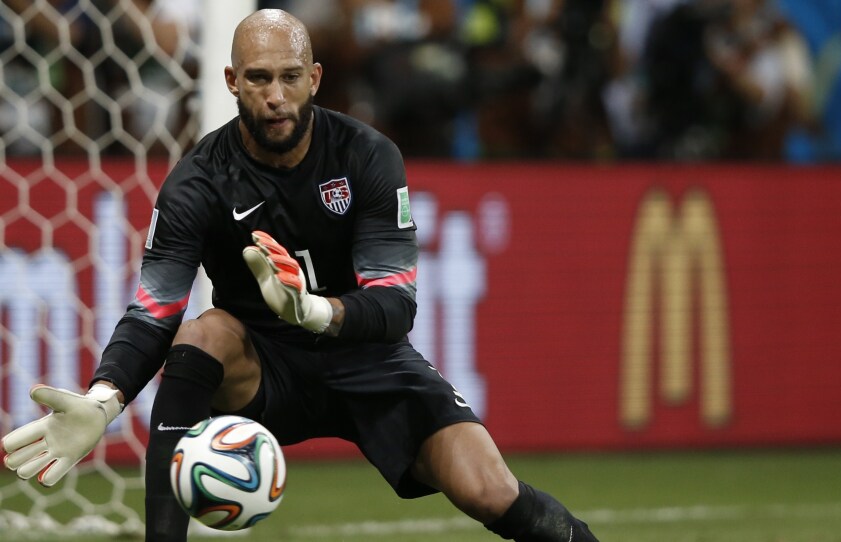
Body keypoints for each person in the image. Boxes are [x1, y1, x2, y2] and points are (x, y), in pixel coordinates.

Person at [1, 9, 601, 542]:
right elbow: (154, 310)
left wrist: (314, 311)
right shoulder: (197, 182)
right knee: (202, 334)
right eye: (258, 78)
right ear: (232, 83)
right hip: (263, 367)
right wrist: (105, 400)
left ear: (314, 78)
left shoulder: (366, 155)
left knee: (490, 492)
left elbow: (395, 305)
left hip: (369, 357)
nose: (276, 96)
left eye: (290, 76)